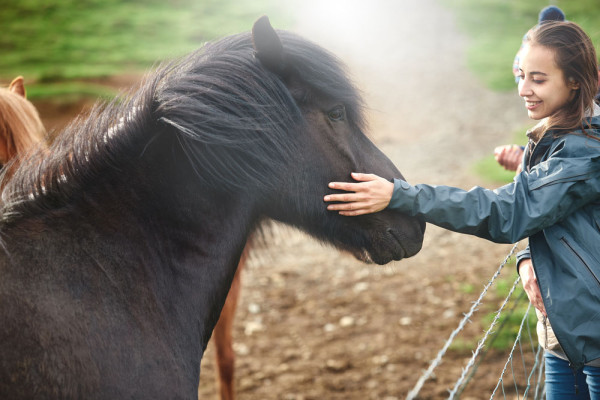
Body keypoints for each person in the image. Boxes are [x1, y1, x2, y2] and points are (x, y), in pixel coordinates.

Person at [324, 21, 600, 399]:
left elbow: (511, 211)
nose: (523, 90)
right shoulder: (563, 132)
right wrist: (525, 257)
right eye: (521, 75)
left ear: (574, 81)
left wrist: (399, 196)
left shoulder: (583, 149)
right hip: (564, 330)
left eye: (538, 79)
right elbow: (555, 217)